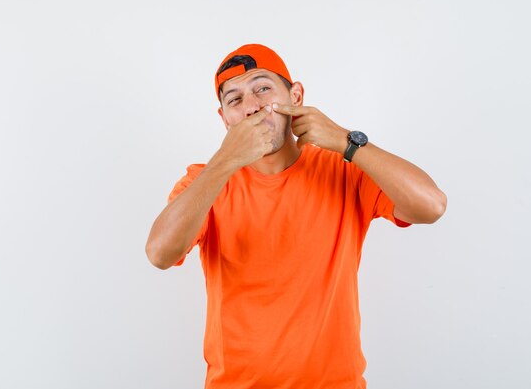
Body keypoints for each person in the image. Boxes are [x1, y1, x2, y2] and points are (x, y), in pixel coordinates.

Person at [145, 44, 447, 389]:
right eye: (235, 100)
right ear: (224, 118)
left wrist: (348, 142)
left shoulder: (343, 170)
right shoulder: (205, 182)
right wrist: (225, 160)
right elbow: (159, 253)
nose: (252, 107)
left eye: (262, 88)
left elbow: (432, 205)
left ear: (296, 96)